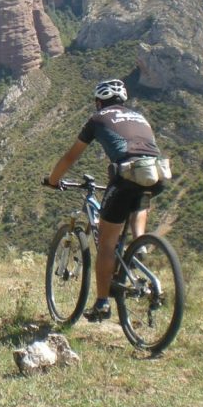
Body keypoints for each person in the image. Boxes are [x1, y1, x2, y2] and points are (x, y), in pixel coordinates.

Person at [43, 78, 165, 322]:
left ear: (99, 102)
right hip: (157, 173)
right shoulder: (140, 117)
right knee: (138, 198)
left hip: (126, 174)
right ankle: (138, 243)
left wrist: (53, 180)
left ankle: (101, 304)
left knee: (107, 242)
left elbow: (71, 157)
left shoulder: (98, 119)